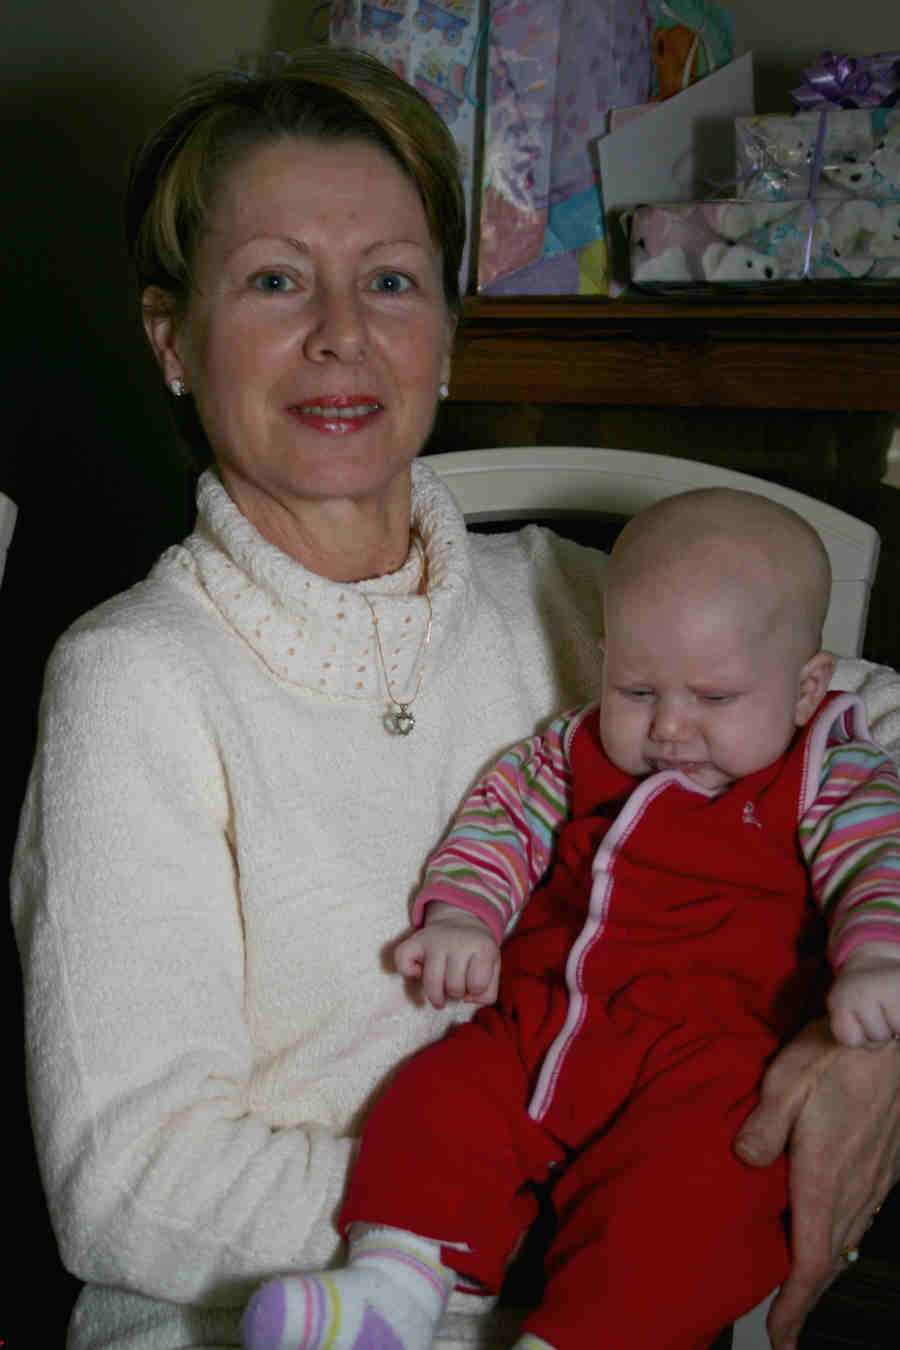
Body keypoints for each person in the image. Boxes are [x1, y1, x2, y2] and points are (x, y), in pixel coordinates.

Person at [7, 46, 900, 1350]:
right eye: (273, 280)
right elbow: (132, 1190)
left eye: (389, 279)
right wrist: (597, 1213)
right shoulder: (134, 678)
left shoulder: (597, 606)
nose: (340, 334)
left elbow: (867, 749)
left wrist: (877, 1054)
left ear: (446, 334)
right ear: (173, 341)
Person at [240, 489, 900, 1350]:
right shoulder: (571, 749)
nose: (669, 726)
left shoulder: (831, 772)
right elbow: (501, 818)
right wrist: (464, 918)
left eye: (713, 697)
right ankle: (390, 1288)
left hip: (713, 1061)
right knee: (436, 1104)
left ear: (809, 687)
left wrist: (876, 961)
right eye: (635, 687)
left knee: (700, 1201)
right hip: (545, 1023)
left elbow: (876, 862)